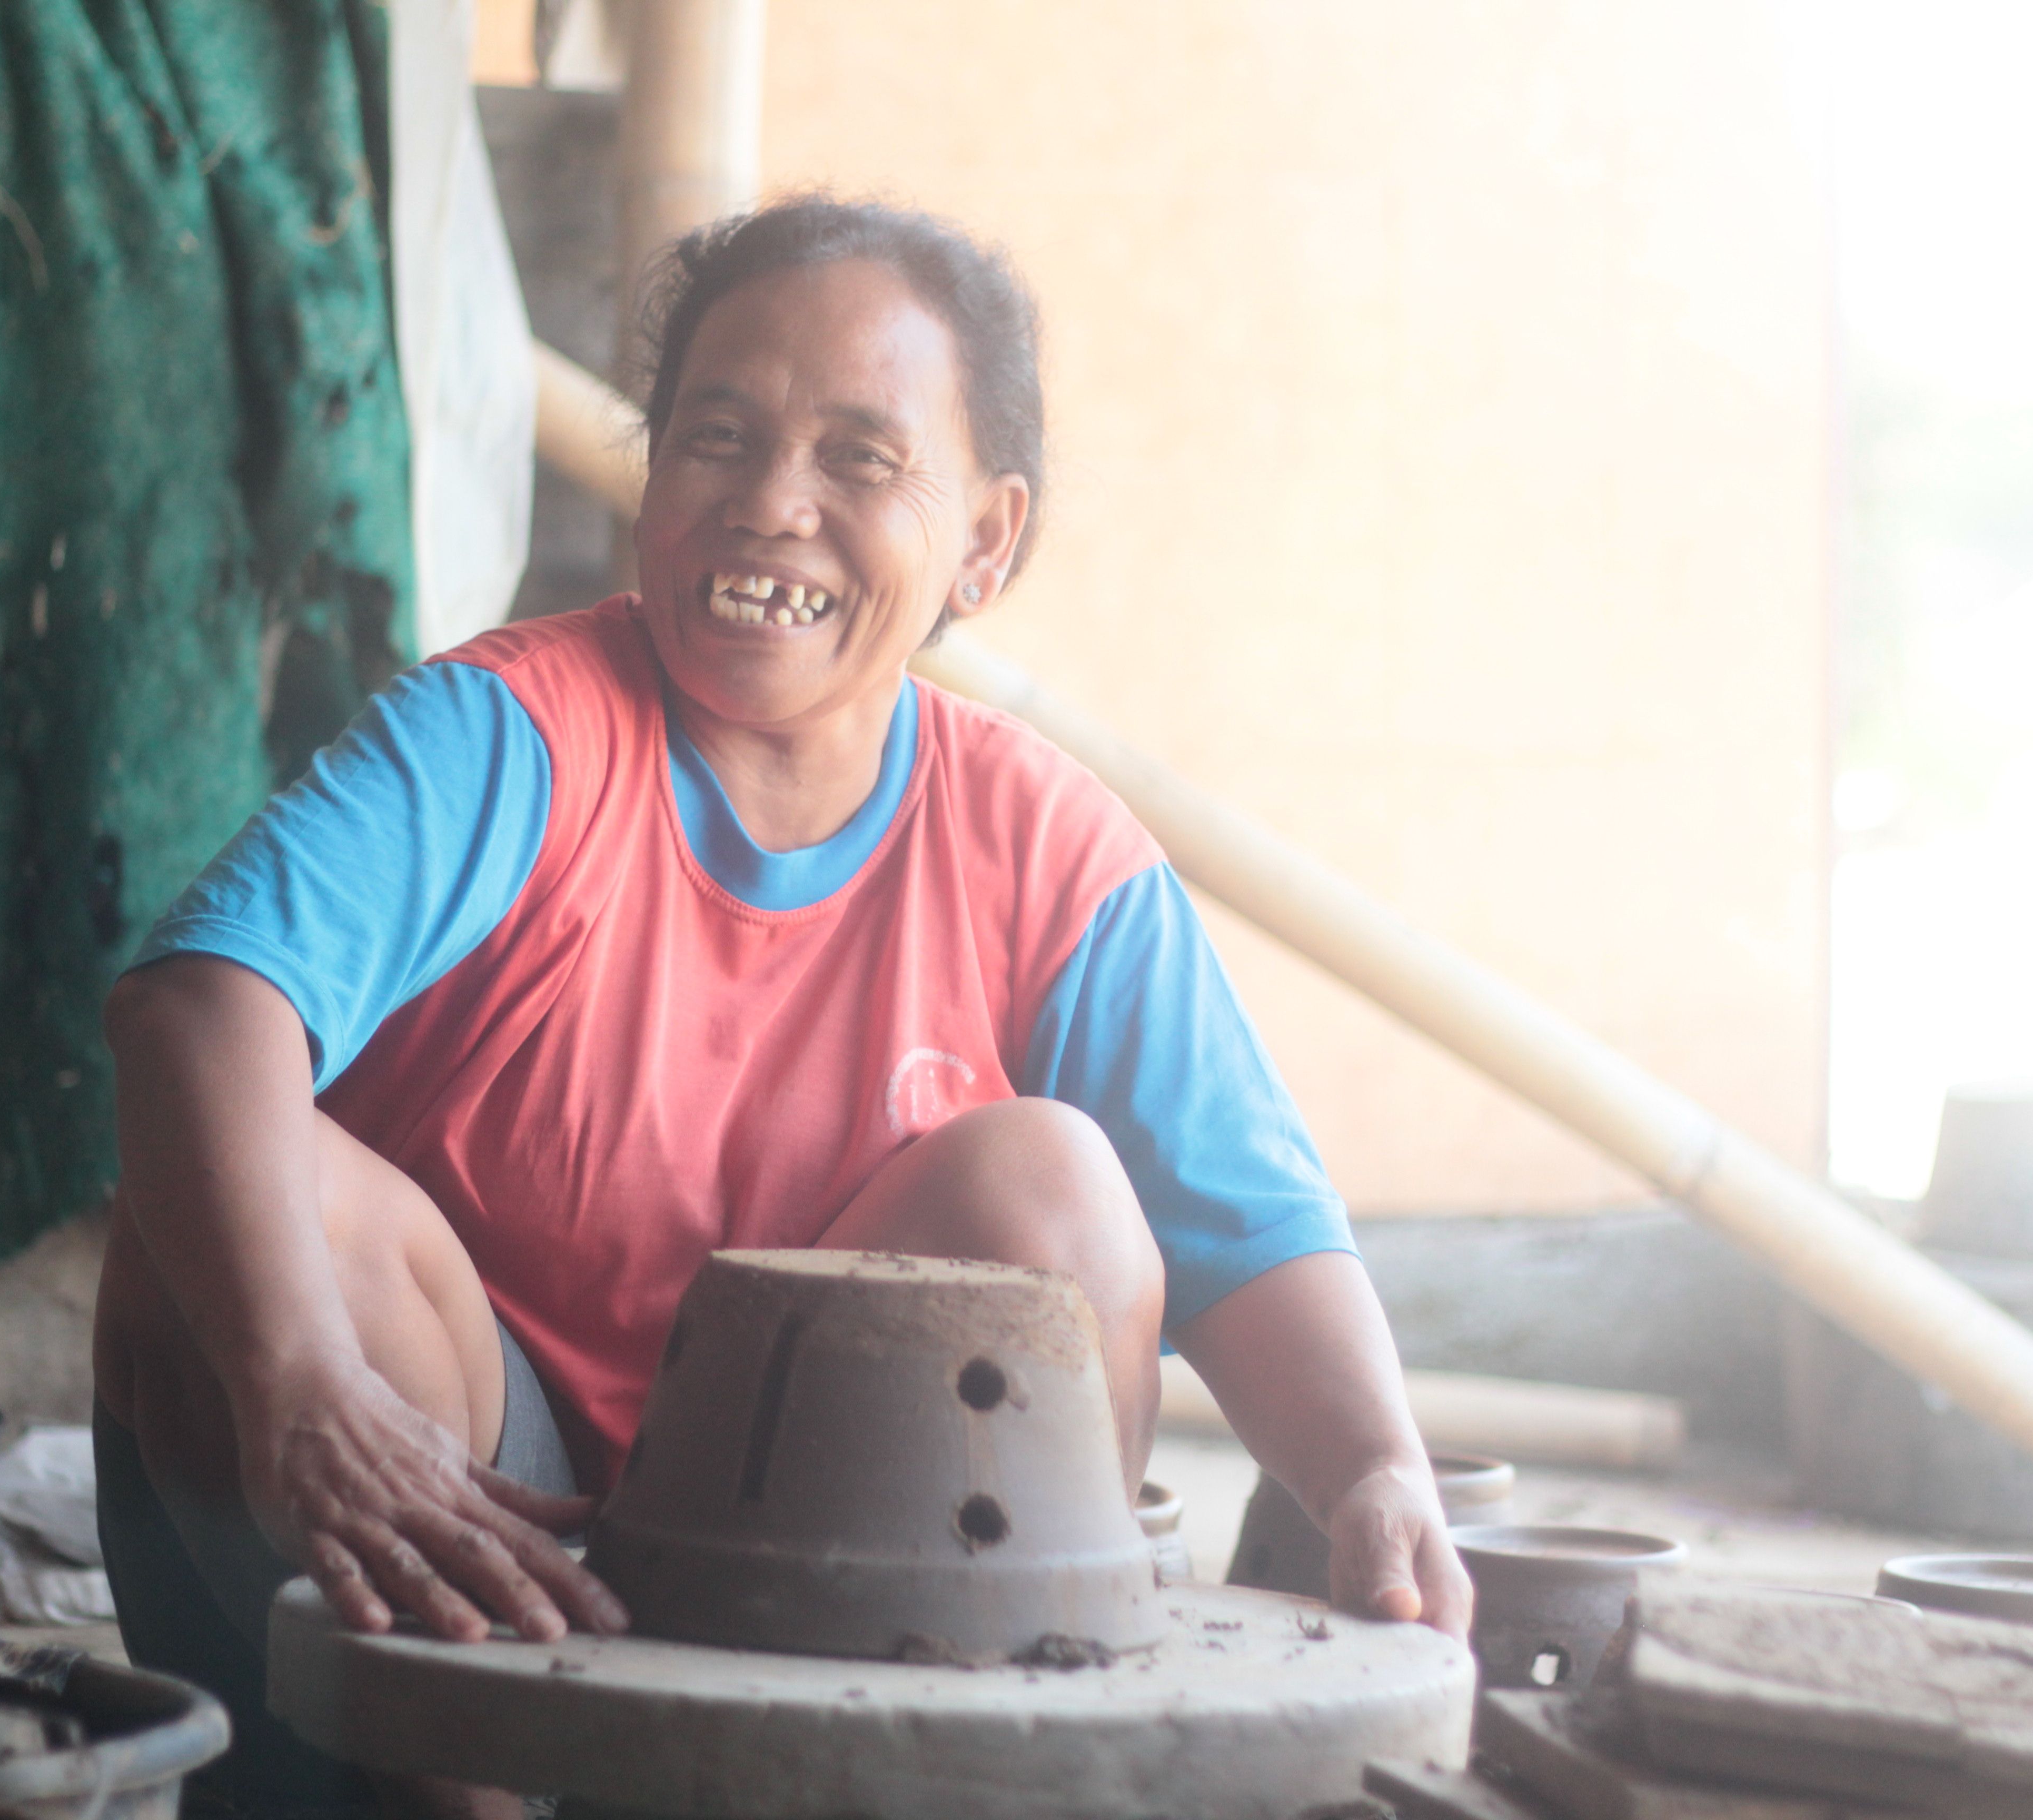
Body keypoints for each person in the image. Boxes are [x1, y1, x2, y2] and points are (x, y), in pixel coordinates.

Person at [93, 196, 1470, 1808]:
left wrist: (1377, 1474)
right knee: (262, 1226)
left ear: (986, 542)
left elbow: (1252, 1226)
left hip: (792, 1573)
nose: (769, 506)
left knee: (1054, 1196)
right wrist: (304, 1387)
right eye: (717, 439)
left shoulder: (1046, 848)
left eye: (860, 460)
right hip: (452, 1528)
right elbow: (196, 1011)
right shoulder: (511, 734)